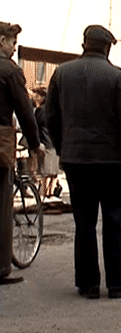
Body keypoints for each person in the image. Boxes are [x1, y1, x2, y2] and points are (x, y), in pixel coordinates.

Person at [46, 25, 121, 299]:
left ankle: (88, 284)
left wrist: (64, 147)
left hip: (76, 160)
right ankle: (117, 283)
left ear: (84, 44)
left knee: (84, 222)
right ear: (107, 47)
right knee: (114, 220)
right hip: (111, 161)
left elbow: (50, 115)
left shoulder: (62, 73)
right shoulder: (116, 75)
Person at [0, 21, 43, 285]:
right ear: (1, 42)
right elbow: (25, 111)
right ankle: (2, 265)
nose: (14, 47)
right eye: (12, 42)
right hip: (0, 139)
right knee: (3, 203)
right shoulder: (9, 71)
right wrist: (35, 142)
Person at [31, 86, 61, 200]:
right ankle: (50, 193)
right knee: (53, 172)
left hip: (46, 143)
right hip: (55, 143)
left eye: (37, 96)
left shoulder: (41, 110)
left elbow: (36, 126)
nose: (35, 98)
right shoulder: (55, 109)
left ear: (42, 97)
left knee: (46, 172)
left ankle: (44, 194)